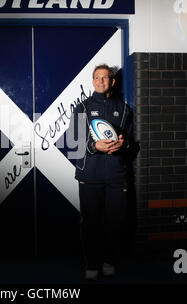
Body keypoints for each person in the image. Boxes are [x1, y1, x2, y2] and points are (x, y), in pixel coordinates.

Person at [69, 64, 139, 280]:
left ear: (112, 81)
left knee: (116, 221)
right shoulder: (81, 108)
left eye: (105, 77)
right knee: (91, 223)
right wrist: (93, 146)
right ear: (92, 81)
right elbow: (72, 145)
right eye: (97, 78)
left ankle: (109, 260)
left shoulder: (125, 109)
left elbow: (132, 144)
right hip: (90, 177)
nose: (100, 81)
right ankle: (92, 263)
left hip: (117, 176)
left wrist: (123, 145)